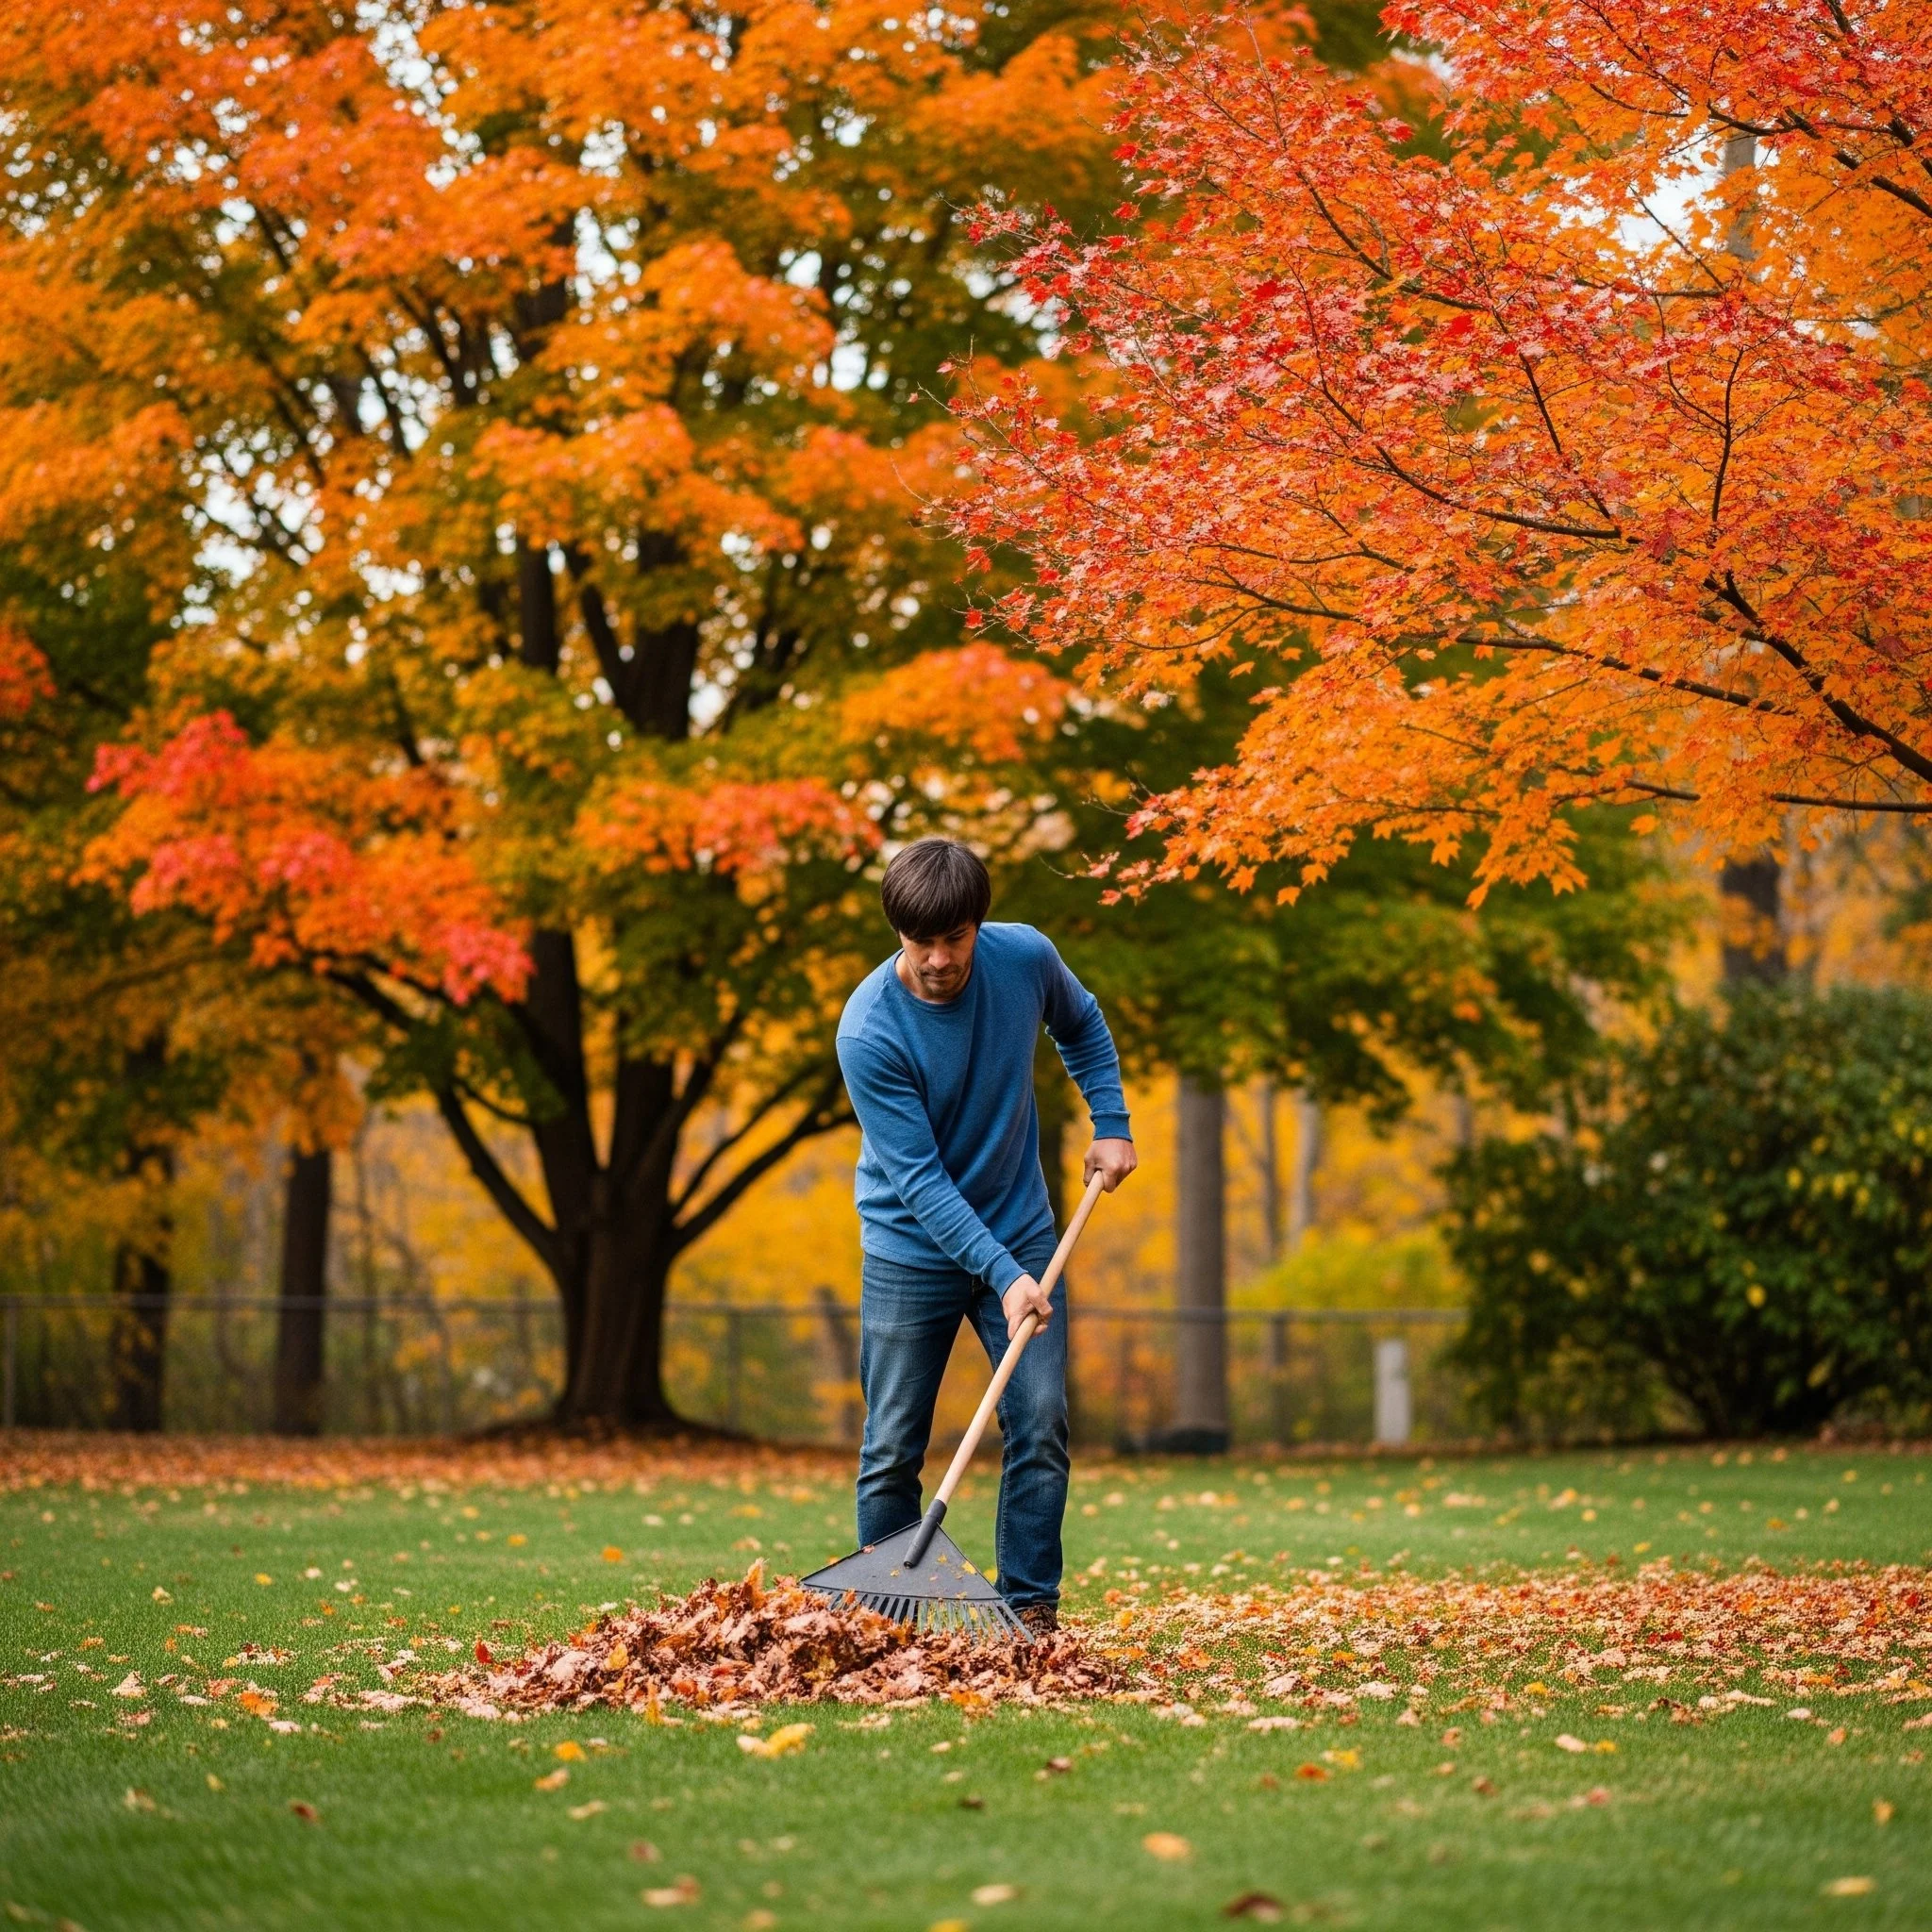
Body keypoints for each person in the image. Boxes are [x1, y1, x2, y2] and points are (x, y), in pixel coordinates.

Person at [835, 837, 1136, 1633]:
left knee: (1040, 1422)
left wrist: (1111, 1120)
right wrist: (1004, 1274)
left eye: (954, 937)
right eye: (918, 942)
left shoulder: (1025, 958)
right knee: (893, 1446)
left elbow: (1083, 1021)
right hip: (911, 1249)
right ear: (898, 934)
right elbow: (923, 1183)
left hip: (1023, 1227)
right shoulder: (869, 1032)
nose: (938, 958)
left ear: (979, 923)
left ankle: (1030, 1613)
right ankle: (892, 1623)